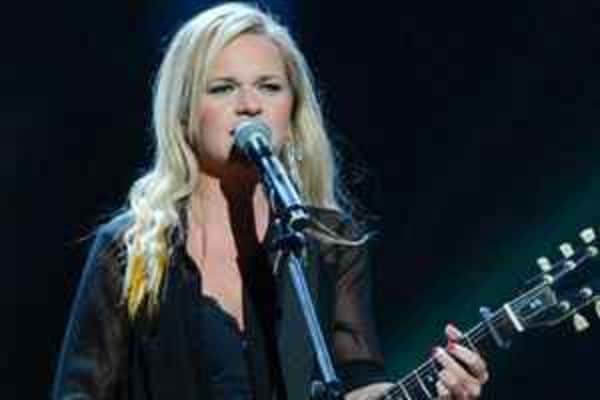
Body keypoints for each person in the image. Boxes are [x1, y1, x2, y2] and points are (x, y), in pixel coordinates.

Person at [52, 2, 488, 399]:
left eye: (269, 86)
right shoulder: (131, 248)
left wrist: (437, 391)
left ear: (292, 114)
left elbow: (358, 380)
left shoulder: (327, 242)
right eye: (222, 88)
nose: (249, 105)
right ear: (183, 112)